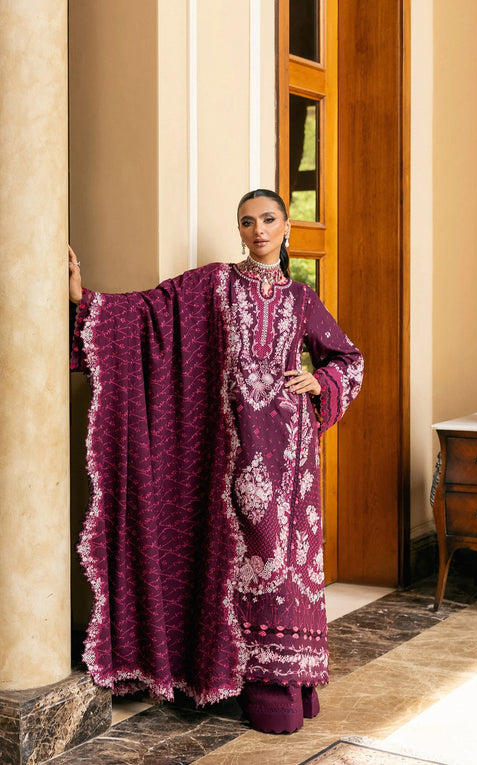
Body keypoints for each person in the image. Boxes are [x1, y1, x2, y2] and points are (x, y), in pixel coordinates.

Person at [69, 189, 363, 734]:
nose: (258, 230)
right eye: (247, 222)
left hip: (288, 456)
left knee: (279, 563)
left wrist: (319, 381)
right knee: (230, 558)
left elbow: (349, 358)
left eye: (268, 220)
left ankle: (281, 689)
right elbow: (150, 315)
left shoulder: (302, 299)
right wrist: (86, 301)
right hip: (226, 449)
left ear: (287, 227)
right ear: (240, 230)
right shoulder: (214, 284)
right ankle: (232, 681)